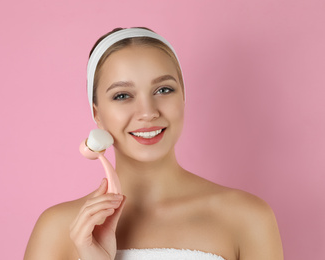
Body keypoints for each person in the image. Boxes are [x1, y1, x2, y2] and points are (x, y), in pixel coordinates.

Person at [24, 27, 283, 260]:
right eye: (122, 95)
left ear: (183, 98)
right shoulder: (58, 229)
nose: (147, 112)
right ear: (97, 114)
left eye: (163, 90)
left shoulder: (247, 218)